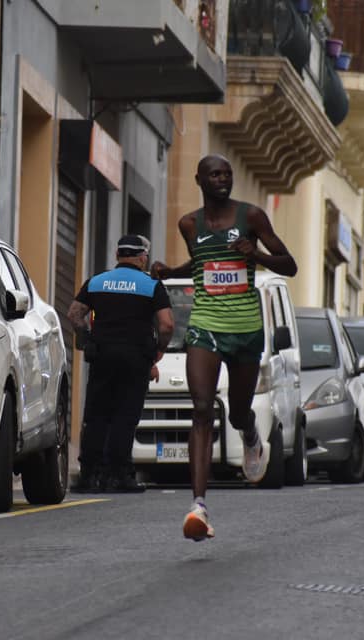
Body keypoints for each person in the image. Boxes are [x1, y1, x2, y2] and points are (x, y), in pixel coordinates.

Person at [149, 154, 297, 541]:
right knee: (200, 407)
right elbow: (202, 264)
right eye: (215, 174)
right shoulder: (189, 224)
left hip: (246, 329)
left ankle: (250, 436)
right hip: (206, 325)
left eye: (228, 174)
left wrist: (258, 256)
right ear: (199, 179)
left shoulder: (252, 217)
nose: (223, 180)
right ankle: (198, 505)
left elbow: (290, 264)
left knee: (237, 412)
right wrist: (170, 273)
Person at [68, 234, 174, 493]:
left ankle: (90, 475)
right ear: (142, 258)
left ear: (117, 256)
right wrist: (159, 349)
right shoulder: (151, 285)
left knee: (96, 416)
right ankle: (120, 475)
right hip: (136, 358)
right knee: (125, 417)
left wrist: (87, 338)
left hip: (103, 355)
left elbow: (74, 314)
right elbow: (167, 324)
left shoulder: (96, 282)